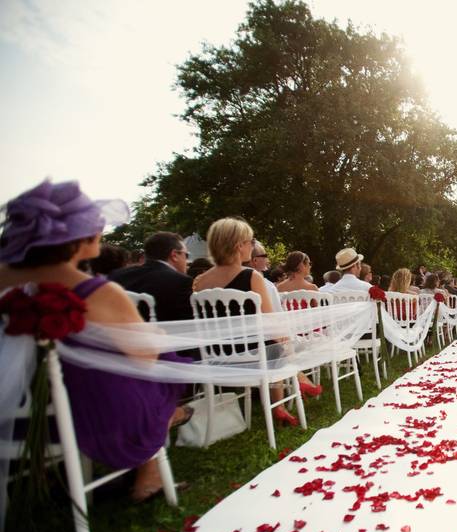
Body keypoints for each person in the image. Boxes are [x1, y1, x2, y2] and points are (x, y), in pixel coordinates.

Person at [0, 180, 189, 502]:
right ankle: (152, 468)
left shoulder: (9, 284)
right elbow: (144, 359)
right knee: (166, 362)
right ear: (75, 237)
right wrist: (152, 336)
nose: (101, 229)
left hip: (18, 414)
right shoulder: (99, 292)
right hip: (93, 415)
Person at [193, 218, 318, 421]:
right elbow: (271, 323)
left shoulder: (200, 282)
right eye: (250, 241)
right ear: (238, 246)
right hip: (253, 353)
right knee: (280, 344)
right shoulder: (252, 276)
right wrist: (289, 343)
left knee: (276, 344)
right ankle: (288, 393)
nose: (253, 246)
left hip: (216, 353)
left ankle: (297, 380)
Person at [110, 231, 194, 322]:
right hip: (164, 334)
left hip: (119, 334)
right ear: (174, 255)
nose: (187, 260)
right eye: (186, 255)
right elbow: (188, 322)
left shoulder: (118, 276)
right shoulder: (180, 281)